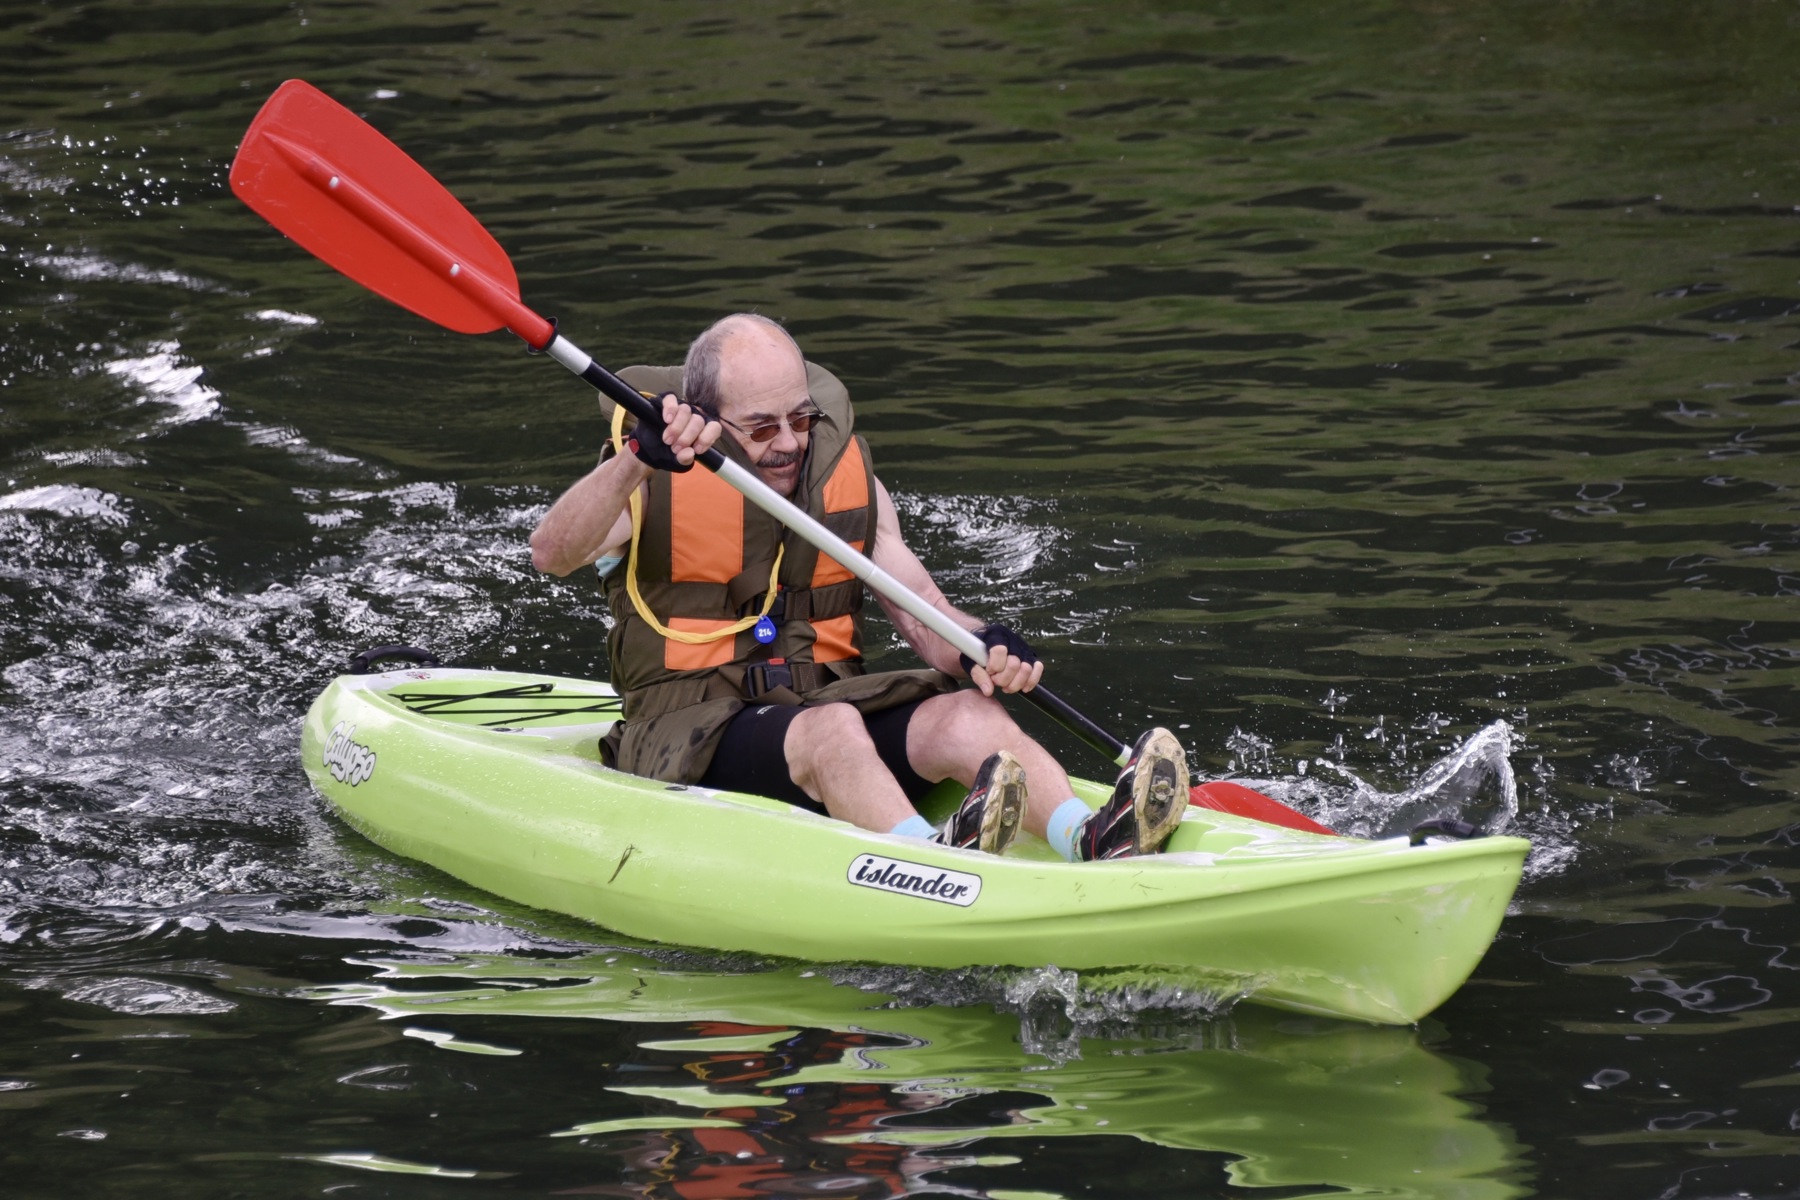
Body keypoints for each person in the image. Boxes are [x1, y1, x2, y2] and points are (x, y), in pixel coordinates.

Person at [531, 313, 1187, 860]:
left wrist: (982, 646)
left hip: (818, 706)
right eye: (761, 427)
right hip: (684, 734)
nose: (789, 443)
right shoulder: (648, 480)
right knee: (833, 728)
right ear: (708, 418)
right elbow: (551, 554)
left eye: (800, 418)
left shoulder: (848, 486)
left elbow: (926, 616)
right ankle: (927, 862)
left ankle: (1089, 837)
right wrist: (635, 462)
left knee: (967, 713)